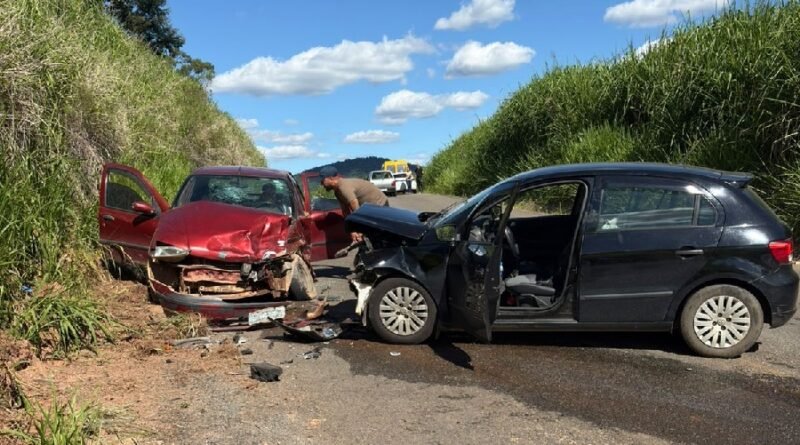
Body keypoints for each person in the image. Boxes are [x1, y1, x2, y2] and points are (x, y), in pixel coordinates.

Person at [320, 166, 388, 242]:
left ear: (331, 178)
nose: (321, 184)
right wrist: (352, 230)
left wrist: (359, 228)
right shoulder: (337, 192)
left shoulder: (343, 187)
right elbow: (345, 211)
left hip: (380, 205)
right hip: (370, 209)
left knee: (376, 238)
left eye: (322, 180)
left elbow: (354, 205)